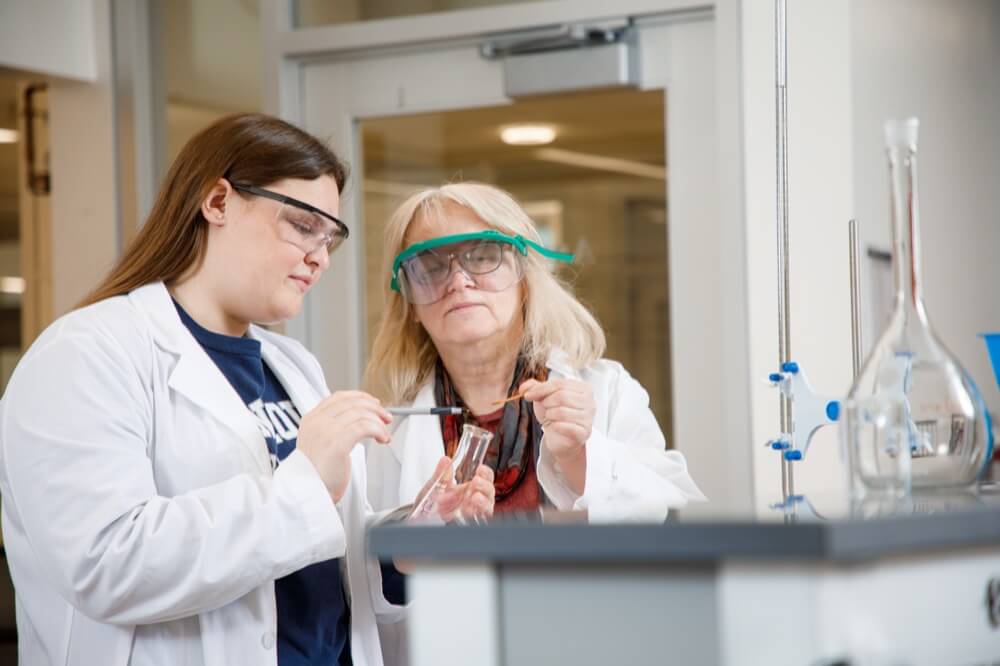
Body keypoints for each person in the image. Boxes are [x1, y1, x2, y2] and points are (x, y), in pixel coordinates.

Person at [0, 114, 493, 666]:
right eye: (303, 226)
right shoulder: (86, 354)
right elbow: (106, 564)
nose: (320, 257)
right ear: (217, 202)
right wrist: (306, 482)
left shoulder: (293, 367)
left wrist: (403, 544)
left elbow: (315, 566)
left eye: (329, 238)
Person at [365, 182, 706, 525]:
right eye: (429, 267)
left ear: (524, 279)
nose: (458, 281)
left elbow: (673, 515)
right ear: (409, 302)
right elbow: (366, 553)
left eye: (482, 256)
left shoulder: (608, 391)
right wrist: (424, 525)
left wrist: (578, 456)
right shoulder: (389, 433)